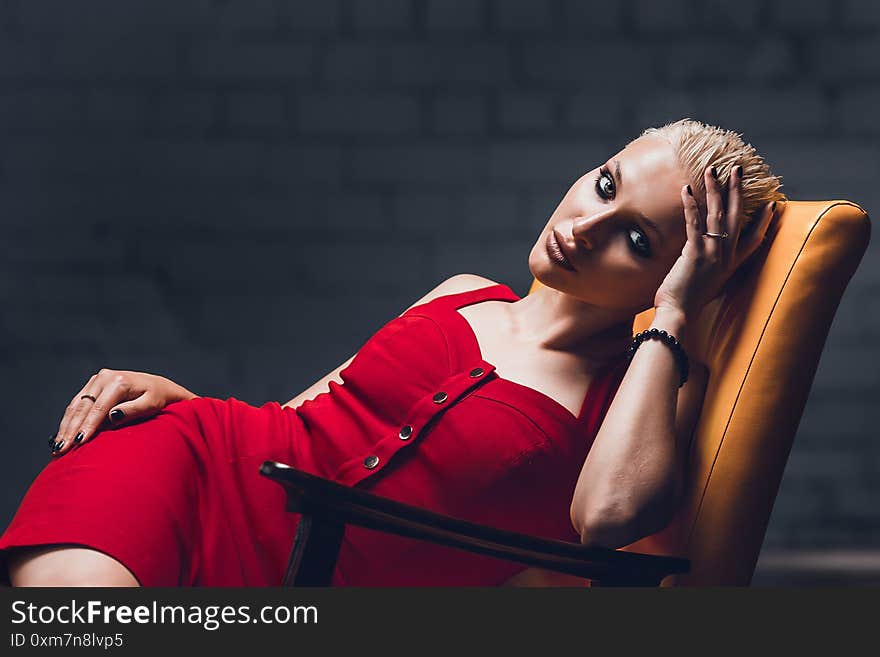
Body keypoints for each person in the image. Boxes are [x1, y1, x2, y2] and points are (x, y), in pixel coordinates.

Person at [1, 118, 786, 587]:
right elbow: (298, 415)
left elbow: (607, 517)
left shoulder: (649, 384)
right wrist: (183, 400)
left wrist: (676, 309)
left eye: (638, 240)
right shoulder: (461, 290)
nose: (583, 226)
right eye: (605, 185)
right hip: (193, 464)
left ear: (679, 274)